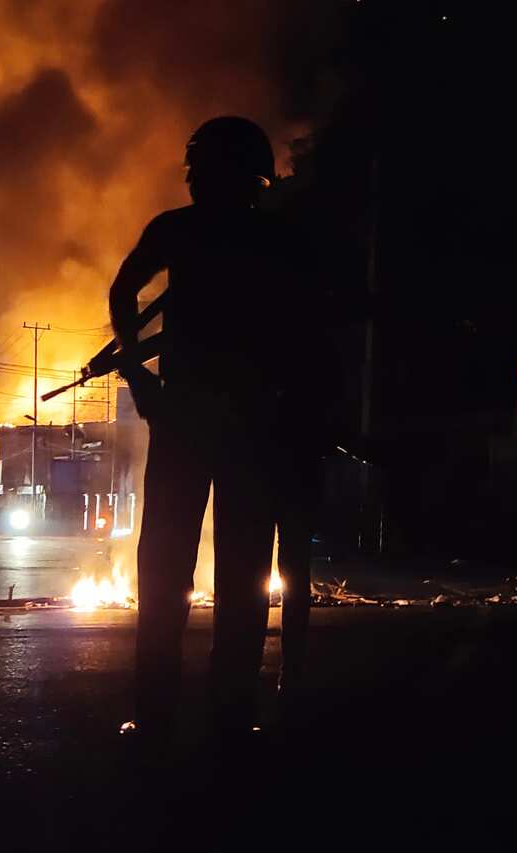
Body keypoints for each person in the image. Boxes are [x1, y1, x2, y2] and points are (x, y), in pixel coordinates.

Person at [108, 116, 321, 742]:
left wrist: (138, 373)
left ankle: (157, 714)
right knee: (243, 572)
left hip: (187, 419)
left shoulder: (177, 229)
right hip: (251, 426)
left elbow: (125, 291)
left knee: (167, 567)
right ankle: (231, 711)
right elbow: (305, 331)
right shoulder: (276, 238)